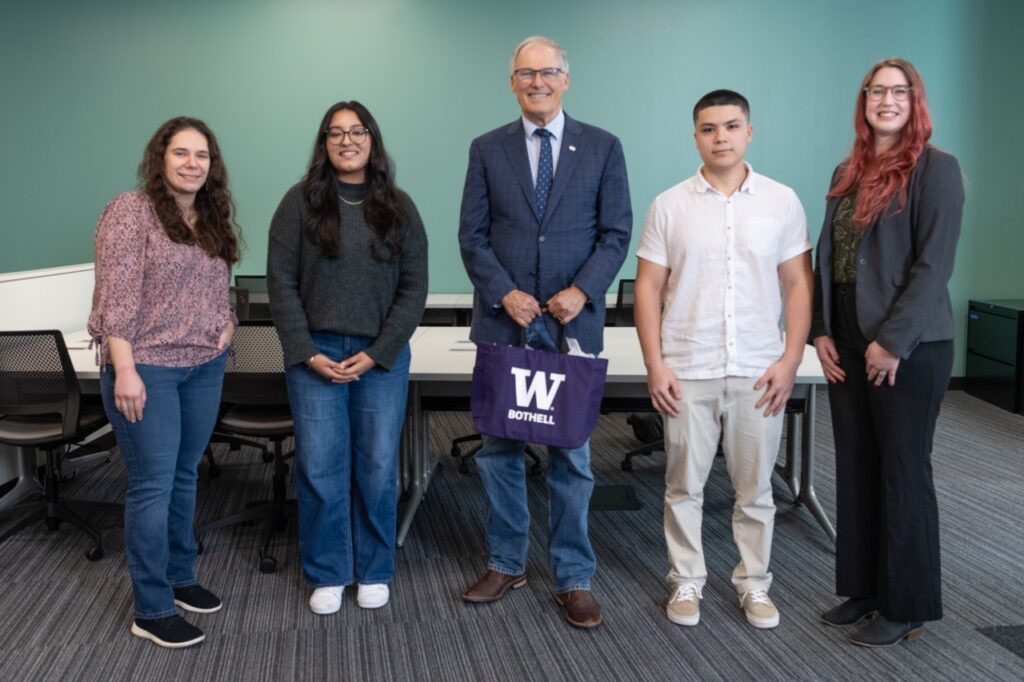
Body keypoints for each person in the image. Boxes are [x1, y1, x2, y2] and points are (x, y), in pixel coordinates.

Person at [458, 35, 631, 629]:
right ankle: (506, 562)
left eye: (548, 71)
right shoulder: (487, 149)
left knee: (573, 457)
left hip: (570, 327)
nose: (537, 81)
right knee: (499, 449)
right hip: (506, 323)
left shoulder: (603, 147)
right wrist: (504, 293)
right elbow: (472, 237)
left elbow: (615, 233)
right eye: (526, 73)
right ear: (512, 81)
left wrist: (581, 290)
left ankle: (573, 577)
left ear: (566, 77)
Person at [634, 90, 813, 630]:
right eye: (709, 128)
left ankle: (754, 583)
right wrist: (655, 364)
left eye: (731, 126)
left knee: (755, 490)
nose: (721, 137)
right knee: (683, 485)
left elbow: (798, 286)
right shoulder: (670, 204)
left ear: (749, 132)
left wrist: (790, 361)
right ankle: (686, 579)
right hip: (688, 367)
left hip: (759, 370)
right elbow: (648, 288)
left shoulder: (782, 202)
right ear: (696, 137)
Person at [811, 58, 964, 647]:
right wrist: (822, 329)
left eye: (900, 91)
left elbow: (934, 265)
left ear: (915, 100)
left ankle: (907, 604)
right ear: (865, 100)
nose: (888, 100)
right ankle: (865, 590)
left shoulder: (937, 170)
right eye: (878, 90)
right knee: (856, 464)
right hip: (848, 337)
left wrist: (891, 343)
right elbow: (828, 259)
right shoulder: (848, 171)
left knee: (902, 470)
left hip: (911, 344)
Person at [267, 101, 428, 616]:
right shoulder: (299, 203)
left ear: (372, 141)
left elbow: (413, 289)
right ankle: (330, 571)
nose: (347, 140)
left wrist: (378, 353)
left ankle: (374, 569)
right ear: (325, 143)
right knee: (319, 466)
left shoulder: (399, 207)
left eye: (357, 131)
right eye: (335, 133)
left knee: (378, 467)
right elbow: (281, 285)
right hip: (314, 356)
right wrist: (307, 352)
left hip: (379, 358)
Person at [89, 117, 241, 648]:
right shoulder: (130, 212)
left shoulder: (210, 215)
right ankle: (151, 609)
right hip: (146, 367)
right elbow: (118, 298)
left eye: (201, 155)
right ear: (161, 159)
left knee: (183, 476)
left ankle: (180, 578)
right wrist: (124, 368)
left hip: (202, 367)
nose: (192, 163)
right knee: (152, 486)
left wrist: (227, 325)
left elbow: (221, 286)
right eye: (181, 153)